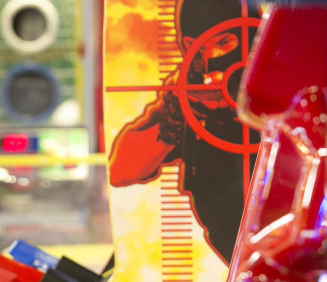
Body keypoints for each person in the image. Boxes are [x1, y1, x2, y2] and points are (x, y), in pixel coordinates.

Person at [107, 0, 262, 263]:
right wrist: (181, 109)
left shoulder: (282, 81)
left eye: (225, 43)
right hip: (229, 244)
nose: (214, 58)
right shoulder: (191, 93)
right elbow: (124, 170)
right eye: (201, 48)